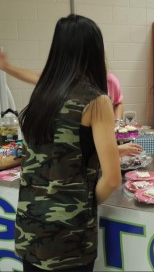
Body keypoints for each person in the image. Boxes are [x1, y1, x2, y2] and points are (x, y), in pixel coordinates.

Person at [15, 14, 122, 272]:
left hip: (29, 228)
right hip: (70, 240)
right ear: (94, 50)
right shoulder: (96, 100)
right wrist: (85, 202)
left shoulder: (42, 93)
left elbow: (56, 150)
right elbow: (112, 179)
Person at [0, 50, 142, 156]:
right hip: (83, 150)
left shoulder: (109, 80)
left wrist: (116, 122)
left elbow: (118, 103)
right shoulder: (67, 83)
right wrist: (7, 67)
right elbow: (38, 77)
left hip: (103, 143)